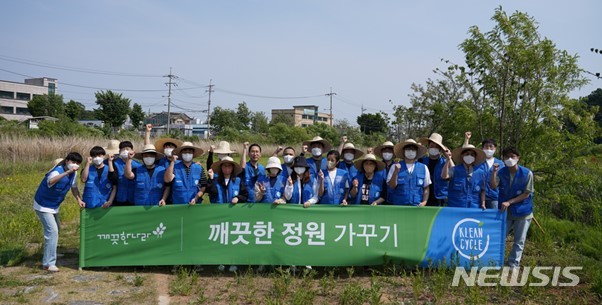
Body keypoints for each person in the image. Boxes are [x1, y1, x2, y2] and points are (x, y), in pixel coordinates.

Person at [34, 153, 85, 272]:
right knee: (52, 231)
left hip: (54, 205)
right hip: (43, 205)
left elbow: (74, 188)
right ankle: (48, 263)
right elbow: (51, 181)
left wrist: (79, 200)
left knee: (56, 229)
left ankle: (51, 253)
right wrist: (67, 173)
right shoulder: (57, 171)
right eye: (73, 162)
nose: (75, 165)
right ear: (67, 161)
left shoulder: (74, 173)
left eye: (77, 163)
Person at [490, 146, 534, 269]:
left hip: (523, 211)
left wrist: (510, 202)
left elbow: (527, 193)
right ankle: (496, 262)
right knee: (500, 237)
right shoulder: (501, 172)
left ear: (518, 158)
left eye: (512, 156)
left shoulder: (527, 173)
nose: (510, 159)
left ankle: (513, 264)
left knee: (519, 241)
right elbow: (493, 186)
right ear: (503, 159)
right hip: (505, 212)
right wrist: (493, 172)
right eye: (507, 157)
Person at [387, 139, 431, 206]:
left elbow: (426, 188)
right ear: (403, 151)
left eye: (413, 149)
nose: (410, 151)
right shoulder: (394, 166)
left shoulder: (424, 167)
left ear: (416, 152)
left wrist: (424, 202)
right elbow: (392, 186)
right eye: (408, 149)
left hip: (417, 206)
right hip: (399, 206)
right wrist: (396, 172)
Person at [442, 144, 486, 209]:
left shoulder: (480, 172)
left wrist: (483, 203)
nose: (469, 156)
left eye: (472, 155)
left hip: (473, 207)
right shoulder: (454, 169)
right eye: (467, 154)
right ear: (462, 155)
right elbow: (444, 176)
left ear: (475, 157)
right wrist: (448, 160)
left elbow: (483, 190)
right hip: (455, 207)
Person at [468, 132, 505, 210]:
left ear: (495, 149)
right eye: (486, 147)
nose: (488, 149)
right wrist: (466, 140)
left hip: (494, 197)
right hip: (477, 197)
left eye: (491, 147)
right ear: (482, 149)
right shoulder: (477, 162)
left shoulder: (500, 164)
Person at [419, 133, 453, 206]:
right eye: (431, 146)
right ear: (428, 147)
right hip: (423, 198)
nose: (433, 148)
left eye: (436, 147)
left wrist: (449, 158)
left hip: (440, 198)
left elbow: (454, 171)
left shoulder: (444, 162)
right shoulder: (422, 161)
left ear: (440, 149)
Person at [107, 140, 142, 206]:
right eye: (123, 149)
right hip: (119, 198)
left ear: (132, 151)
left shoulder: (138, 165)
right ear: (119, 151)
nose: (125, 151)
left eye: (128, 149)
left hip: (133, 198)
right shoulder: (114, 163)